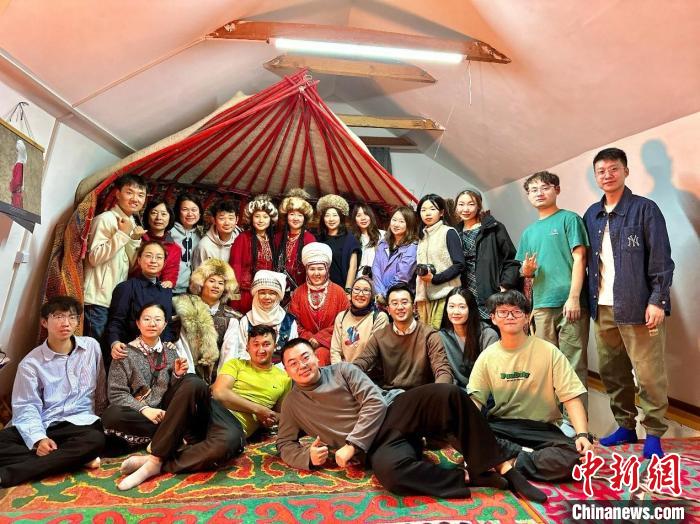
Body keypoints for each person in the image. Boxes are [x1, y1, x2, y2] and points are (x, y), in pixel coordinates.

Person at [276, 338, 547, 502]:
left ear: (316, 357)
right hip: (377, 448)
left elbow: (374, 402)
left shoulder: (342, 370)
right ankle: (467, 476)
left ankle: (504, 468)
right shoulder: (292, 404)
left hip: (393, 413)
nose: (302, 365)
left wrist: (352, 444)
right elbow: (284, 443)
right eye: (293, 363)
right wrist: (307, 457)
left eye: (305, 357)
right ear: (286, 370)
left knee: (448, 393)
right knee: (392, 476)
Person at [584, 147, 675, 458]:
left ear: (625, 171)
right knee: (612, 371)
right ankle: (625, 426)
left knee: (648, 373)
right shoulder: (591, 215)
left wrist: (657, 301)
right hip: (602, 307)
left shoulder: (645, 209)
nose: (607, 175)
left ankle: (654, 432)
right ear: (595, 177)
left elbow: (661, 259)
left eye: (613, 169)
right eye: (601, 171)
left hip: (639, 305)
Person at [103, 304, 236, 490]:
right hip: (144, 414)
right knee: (112, 415)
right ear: (138, 323)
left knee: (192, 381)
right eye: (147, 319)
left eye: (158, 319)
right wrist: (145, 409)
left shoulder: (170, 350)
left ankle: (156, 457)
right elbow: (116, 394)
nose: (152, 324)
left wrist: (177, 375)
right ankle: (178, 434)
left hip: (170, 409)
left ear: (165, 324)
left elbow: (174, 390)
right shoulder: (124, 352)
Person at [468, 291, 593, 482]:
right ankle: (524, 458)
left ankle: (512, 461)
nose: (510, 316)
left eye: (516, 312)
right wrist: (470, 433)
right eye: (503, 312)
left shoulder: (549, 352)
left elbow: (571, 397)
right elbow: (475, 402)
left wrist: (582, 434)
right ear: (493, 318)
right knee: (468, 436)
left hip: (541, 429)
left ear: (527, 317)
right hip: (501, 427)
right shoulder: (487, 357)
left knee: (580, 459)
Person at [0, 296, 106, 488]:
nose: (66, 323)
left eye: (72, 317)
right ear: (44, 322)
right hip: (44, 422)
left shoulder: (91, 347)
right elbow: (26, 406)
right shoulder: (30, 363)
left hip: (80, 424)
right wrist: (38, 439)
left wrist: (101, 419)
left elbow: (100, 387)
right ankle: (75, 458)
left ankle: (9, 474)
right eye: (58, 316)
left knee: (95, 439)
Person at [516, 172, 590, 409]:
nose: (539, 193)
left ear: (557, 190)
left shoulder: (569, 219)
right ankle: (553, 420)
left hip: (570, 303)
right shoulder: (528, 232)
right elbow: (525, 271)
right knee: (546, 365)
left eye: (545, 187)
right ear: (528, 196)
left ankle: (576, 423)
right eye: (533, 190)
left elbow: (580, 259)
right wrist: (526, 271)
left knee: (573, 366)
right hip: (541, 304)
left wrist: (574, 297)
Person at [83, 174, 147, 345]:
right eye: (129, 192)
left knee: (105, 351)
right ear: (118, 194)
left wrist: (133, 239)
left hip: (114, 300)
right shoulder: (105, 219)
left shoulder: (132, 223)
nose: (135, 199)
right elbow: (94, 257)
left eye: (140, 195)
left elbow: (131, 265)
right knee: (92, 350)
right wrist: (122, 234)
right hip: (96, 299)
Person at [353, 283, 453, 390]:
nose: (400, 307)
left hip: (421, 394)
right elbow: (363, 361)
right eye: (395, 303)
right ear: (388, 310)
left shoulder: (429, 335)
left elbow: (442, 369)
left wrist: (439, 390)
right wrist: (348, 372)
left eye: (404, 302)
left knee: (450, 390)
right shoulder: (379, 336)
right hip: (390, 395)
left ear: (414, 307)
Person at [212, 325, 292, 444]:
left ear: (275, 347)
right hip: (214, 412)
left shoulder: (285, 378)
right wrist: (258, 410)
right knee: (193, 383)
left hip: (235, 430)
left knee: (227, 441)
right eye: (256, 344)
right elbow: (219, 393)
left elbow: (282, 415)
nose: (261, 350)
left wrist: (271, 418)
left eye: (266, 344)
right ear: (247, 348)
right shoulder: (235, 364)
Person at [454, 189, 520, 321]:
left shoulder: (494, 228)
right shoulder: (454, 232)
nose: (465, 209)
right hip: (464, 295)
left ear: (479, 206)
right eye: (461, 204)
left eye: (471, 204)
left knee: (493, 330)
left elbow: (511, 260)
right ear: (456, 207)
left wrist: (504, 286)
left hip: (491, 292)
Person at [173, 258, 242, 383]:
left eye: (221, 283)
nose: (216, 286)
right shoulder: (186, 308)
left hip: (219, 379)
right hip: (189, 377)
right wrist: (189, 379)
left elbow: (230, 353)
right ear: (202, 283)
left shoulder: (231, 317)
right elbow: (183, 348)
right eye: (211, 281)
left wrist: (221, 382)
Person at [107, 241, 175, 365]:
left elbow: (168, 323)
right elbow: (116, 321)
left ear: (164, 263)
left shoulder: (166, 291)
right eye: (148, 256)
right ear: (139, 260)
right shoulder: (126, 287)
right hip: (130, 353)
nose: (153, 261)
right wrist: (115, 342)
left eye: (159, 257)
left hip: (159, 356)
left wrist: (168, 342)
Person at [288, 243, 349, 366]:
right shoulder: (298, 293)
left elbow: (346, 322)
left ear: (327, 270)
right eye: (312, 269)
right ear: (306, 270)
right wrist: (309, 338)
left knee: (320, 356)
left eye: (320, 269)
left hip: (331, 345)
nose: (316, 273)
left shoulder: (339, 292)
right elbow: (293, 322)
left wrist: (319, 339)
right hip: (303, 344)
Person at [415, 194, 464, 329]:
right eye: (423, 210)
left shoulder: (448, 232)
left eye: (432, 209)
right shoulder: (422, 236)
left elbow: (459, 264)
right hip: (426, 298)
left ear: (441, 212)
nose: (427, 213)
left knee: (443, 336)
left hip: (447, 295)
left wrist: (435, 278)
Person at [438, 288, 499, 390]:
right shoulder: (442, 337)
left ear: (471, 309)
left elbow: (491, 374)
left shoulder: (488, 335)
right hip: (455, 392)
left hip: (485, 392)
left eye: (462, 307)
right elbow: (446, 372)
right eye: (451, 306)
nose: (456, 312)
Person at [238, 270, 299, 364]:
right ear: (256, 295)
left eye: (272, 293)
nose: (267, 297)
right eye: (262, 293)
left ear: (278, 296)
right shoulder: (246, 321)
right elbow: (240, 351)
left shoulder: (288, 322)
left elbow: (293, 352)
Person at [230, 195, 278, 314]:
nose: (261, 220)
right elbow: (235, 267)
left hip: (266, 294)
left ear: (270, 220)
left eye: (265, 217)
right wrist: (235, 298)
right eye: (257, 216)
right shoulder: (243, 238)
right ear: (251, 218)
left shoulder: (272, 241)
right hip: (246, 293)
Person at [330, 276, 389, 364]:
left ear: (372, 295)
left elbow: (372, 354)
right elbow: (335, 351)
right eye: (357, 289)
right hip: (342, 369)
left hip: (366, 371)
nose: (360, 294)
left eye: (366, 290)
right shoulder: (341, 316)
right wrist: (339, 370)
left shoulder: (379, 318)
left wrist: (353, 371)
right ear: (351, 293)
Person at [131, 197, 181, 288]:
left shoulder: (175, 248)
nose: (158, 218)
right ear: (147, 216)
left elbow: (171, 272)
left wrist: (169, 281)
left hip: (157, 289)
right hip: (132, 286)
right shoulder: (138, 238)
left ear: (170, 217)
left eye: (163, 214)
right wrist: (134, 240)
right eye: (154, 213)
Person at [372, 206, 418, 303]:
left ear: (409, 224)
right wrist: (379, 293)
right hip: (379, 297)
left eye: (401, 221)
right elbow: (376, 270)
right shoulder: (383, 243)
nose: (396, 224)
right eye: (394, 220)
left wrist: (386, 294)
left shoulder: (412, 247)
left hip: (400, 297)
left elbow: (403, 276)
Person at [275, 188, 316, 297]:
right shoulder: (277, 237)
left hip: (301, 290)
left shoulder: (310, 239)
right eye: (292, 214)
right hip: (277, 289)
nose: (296, 218)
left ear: (304, 218)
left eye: (300, 215)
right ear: (286, 216)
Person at [316, 194, 360, 291]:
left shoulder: (350, 239)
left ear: (340, 217)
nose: (331, 219)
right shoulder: (318, 239)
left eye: (335, 215)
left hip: (341, 288)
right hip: (320, 287)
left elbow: (353, 267)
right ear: (323, 218)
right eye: (327, 215)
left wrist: (347, 290)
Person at [171, 193, 205, 295]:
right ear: (178, 212)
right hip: (168, 287)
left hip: (190, 291)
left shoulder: (200, 235)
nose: (190, 214)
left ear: (200, 213)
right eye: (185, 209)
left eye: (194, 210)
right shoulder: (169, 232)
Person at [192, 198, 241, 268]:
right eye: (222, 218)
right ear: (214, 220)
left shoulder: (242, 241)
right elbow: (198, 273)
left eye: (231, 218)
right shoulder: (204, 246)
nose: (227, 223)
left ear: (237, 220)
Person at [351, 203, 384, 278]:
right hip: (358, 279)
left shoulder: (382, 235)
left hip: (378, 278)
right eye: (359, 215)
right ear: (354, 219)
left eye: (366, 214)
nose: (363, 218)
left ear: (371, 216)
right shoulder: (352, 238)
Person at [10, 138, 26, 209]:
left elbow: (17, 182)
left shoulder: (19, 164)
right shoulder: (21, 164)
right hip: (17, 194)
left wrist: (11, 184)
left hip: (16, 195)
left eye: (17, 150)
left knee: (16, 211)